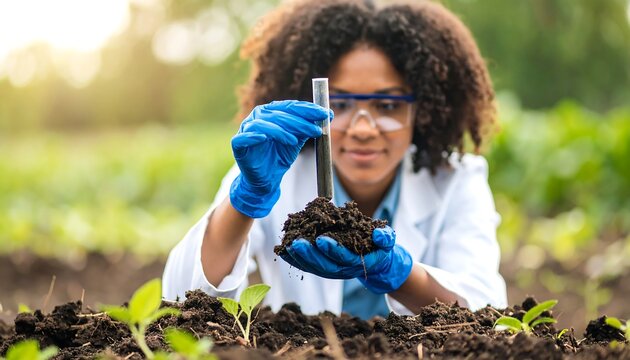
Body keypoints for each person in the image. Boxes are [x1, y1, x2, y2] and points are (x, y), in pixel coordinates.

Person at [162, 0, 507, 319]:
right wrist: (245, 201)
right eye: (339, 105)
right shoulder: (275, 171)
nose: (362, 129)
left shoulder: (457, 180)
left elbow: (488, 312)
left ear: (424, 109)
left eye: (387, 106)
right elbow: (182, 299)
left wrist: (398, 273)